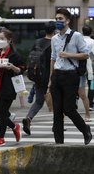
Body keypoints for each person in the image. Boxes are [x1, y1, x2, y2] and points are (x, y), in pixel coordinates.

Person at [49, 8, 92, 145]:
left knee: (69, 109)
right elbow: (53, 58)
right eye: (56, 19)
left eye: (60, 19)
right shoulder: (54, 38)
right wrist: (51, 78)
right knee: (57, 112)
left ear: (67, 21)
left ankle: (85, 130)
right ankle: (59, 144)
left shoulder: (76, 36)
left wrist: (69, 55)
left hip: (70, 76)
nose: (58, 21)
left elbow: (85, 54)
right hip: (57, 76)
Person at [22, 21, 56, 135]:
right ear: (55, 30)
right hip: (50, 76)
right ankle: (56, 125)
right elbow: (54, 61)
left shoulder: (37, 42)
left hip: (37, 76)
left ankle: (29, 118)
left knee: (39, 101)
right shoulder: (54, 43)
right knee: (58, 101)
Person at [82, 25, 94, 114]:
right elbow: (93, 55)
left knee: (76, 85)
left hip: (78, 65)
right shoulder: (92, 42)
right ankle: (90, 104)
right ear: (91, 32)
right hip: (90, 66)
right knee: (91, 85)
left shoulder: (79, 39)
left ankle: (74, 104)